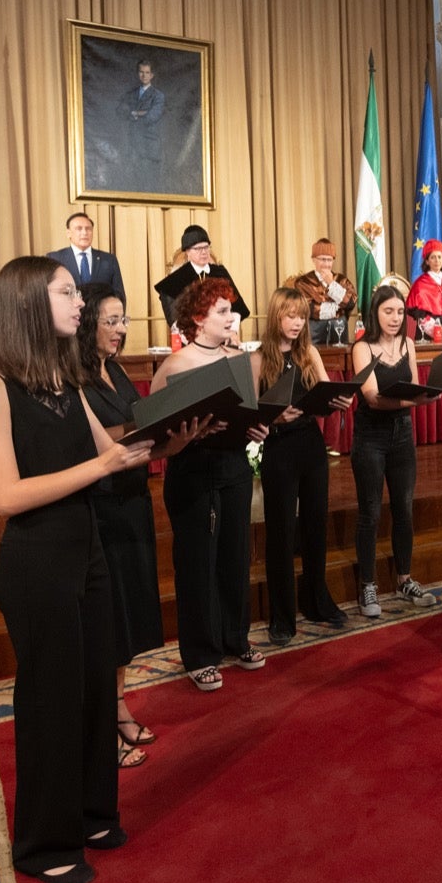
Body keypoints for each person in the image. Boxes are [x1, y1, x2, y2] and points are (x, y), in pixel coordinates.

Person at [0, 256, 155, 883]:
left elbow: (115, 453)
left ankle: (93, 812)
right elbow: (8, 497)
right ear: (27, 303)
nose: (82, 304)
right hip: (36, 561)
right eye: (68, 293)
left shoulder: (62, 376)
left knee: (98, 686)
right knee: (51, 700)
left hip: (87, 550)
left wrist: (183, 434)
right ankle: (44, 846)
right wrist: (100, 470)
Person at [75, 285, 205, 768]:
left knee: (128, 614)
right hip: (99, 508)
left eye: (122, 320)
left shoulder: (115, 370)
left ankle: (119, 706)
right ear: (86, 323)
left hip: (132, 502)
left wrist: (178, 438)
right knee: (104, 618)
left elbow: (142, 435)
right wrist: (147, 430)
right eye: (110, 321)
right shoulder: (71, 375)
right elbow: (93, 442)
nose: (120, 329)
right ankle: (97, 721)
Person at [151, 277, 269, 691]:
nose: (232, 317)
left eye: (231, 310)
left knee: (236, 557)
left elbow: (250, 413)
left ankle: (235, 639)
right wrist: (190, 434)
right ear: (198, 319)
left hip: (234, 465)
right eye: (222, 311)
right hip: (192, 471)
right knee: (198, 563)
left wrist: (258, 429)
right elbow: (155, 435)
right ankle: (200, 654)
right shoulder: (174, 367)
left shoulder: (242, 360)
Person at [253, 287, 352, 645]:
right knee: (280, 532)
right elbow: (253, 413)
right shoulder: (260, 358)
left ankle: (317, 600)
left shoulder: (308, 351)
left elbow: (323, 391)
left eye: (301, 316)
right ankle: (282, 615)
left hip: (310, 444)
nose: (296, 323)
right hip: (279, 448)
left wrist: (335, 400)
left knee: (315, 525)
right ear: (276, 316)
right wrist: (275, 418)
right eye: (290, 315)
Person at [351, 285, 442, 616]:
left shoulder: (408, 344)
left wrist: (421, 396)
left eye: (400, 312)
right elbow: (373, 398)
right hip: (371, 437)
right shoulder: (362, 347)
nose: (395, 318)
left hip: (403, 433)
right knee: (371, 512)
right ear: (375, 313)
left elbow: (414, 384)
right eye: (388, 311)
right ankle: (368, 586)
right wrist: (417, 400)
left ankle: (404, 579)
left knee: (404, 509)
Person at [154, 224, 250, 328]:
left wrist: (231, 331)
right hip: (191, 335)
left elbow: (237, 307)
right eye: (198, 249)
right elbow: (175, 320)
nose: (204, 252)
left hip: (222, 333)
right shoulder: (176, 278)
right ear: (187, 252)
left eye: (206, 247)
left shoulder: (220, 272)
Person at [290, 238, 356, 346]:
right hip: (313, 333)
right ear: (313, 259)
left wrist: (331, 283)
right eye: (322, 259)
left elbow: (350, 304)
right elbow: (310, 309)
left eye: (329, 260)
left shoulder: (342, 280)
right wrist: (339, 307)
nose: (326, 264)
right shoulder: (303, 282)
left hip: (339, 333)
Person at [48, 212, 125, 303]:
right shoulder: (55, 258)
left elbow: (119, 295)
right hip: (68, 315)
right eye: (79, 229)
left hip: (100, 315)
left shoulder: (108, 260)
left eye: (88, 229)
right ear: (68, 233)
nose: (84, 232)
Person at [122, 58, 165, 185]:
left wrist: (133, 113)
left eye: (147, 72)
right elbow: (120, 111)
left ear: (152, 75)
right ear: (138, 74)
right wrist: (139, 112)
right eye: (141, 72)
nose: (144, 75)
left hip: (149, 146)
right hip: (133, 144)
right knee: (132, 182)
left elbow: (153, 116)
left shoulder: (158, 95)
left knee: (148, 183)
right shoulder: (131, 94)